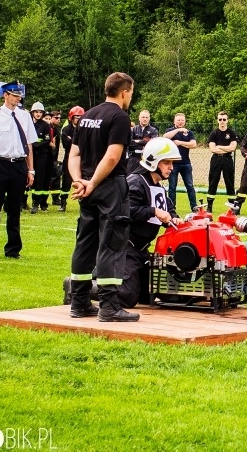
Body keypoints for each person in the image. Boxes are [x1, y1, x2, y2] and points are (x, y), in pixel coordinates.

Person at [68, 72, 137, 322]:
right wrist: (94, 182)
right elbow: (111, 157)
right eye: (131, 93)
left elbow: (74, 155)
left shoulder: (85, 116)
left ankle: (79, 303)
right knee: (112, 244)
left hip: (86, 187)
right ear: (124, 92)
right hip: (109, 186)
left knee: (84, 243)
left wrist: (80, 181)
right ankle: (109, 306)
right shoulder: (119, 117)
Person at [121, 137, 183, 307]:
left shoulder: (159, 187)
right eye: (167, 162)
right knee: (127, 296)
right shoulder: (135, 182)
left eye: (172, 163)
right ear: (153, 161)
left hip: (142, 251)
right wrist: (153, 211)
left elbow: (168, 210)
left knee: (155, 293)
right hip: (125, 248)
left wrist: (174, 217)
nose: (171, 167)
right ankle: (81, 287)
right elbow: (127, 212)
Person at [0, 81, 36, 260]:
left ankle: (13, 248)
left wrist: (31, 170)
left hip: (19, 164)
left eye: (19, 94)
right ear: (5, 95)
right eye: (14, 94)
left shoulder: (25, 116)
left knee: (14, 208)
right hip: (0, 164)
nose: (18, 97)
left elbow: (28, 145)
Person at [162, 113, 198, 212]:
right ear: (174, 121)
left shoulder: (188, 132)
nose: (180, 122)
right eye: (178, 120)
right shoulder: (170, 131)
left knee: (190, 186)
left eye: (182, 120)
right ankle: (172, 208)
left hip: (186, 163)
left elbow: (194, 144)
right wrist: (177, 130)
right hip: (173, 164)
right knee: (172, 187)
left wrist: (180, 143)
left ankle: (194, 207)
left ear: (185, 121)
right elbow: (165, 137)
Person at [206, 111, 237, 213]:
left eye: (224, 119)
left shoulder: (232, 133)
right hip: (216, 159)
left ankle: (232, 207)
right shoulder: (213, 133)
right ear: (217, 120)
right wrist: (225, 149)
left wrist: (219, 146)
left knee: (230, 182)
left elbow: (233, 147)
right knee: (213, 181)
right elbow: (212, 149)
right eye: (220, 119)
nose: (222, 121)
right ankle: (209, 205)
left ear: (227, 120)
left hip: (228, 159)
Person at [59, 106, 84, 212]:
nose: (78, 119)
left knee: (82, 180)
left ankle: (83, 203)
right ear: (71, 117)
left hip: (83, 158)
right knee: (66, 181)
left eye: (80, 117)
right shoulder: (66, 130)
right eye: (76, 117)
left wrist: (73, 140)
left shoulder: (85, 129)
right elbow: (67, 144)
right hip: (69, 158)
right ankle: (63, 203)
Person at [29, 101, 52, 213]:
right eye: (36, 112)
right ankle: (25, 202)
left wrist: (35, 145)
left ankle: (38, 203)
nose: (38, 114)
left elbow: (47, 140)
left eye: (40, 112)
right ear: (32, 112)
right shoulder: (29, 124)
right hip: (30, 155)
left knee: (40, 179)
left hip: (42, 155)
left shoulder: (46, 126)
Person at [127, 109, 158, 173]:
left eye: (147, 117)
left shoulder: (154, 130)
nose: (145, 119)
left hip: (147, 159)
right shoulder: (133, 129)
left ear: (149, 118)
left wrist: (138, 141)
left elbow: (153, 144)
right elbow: (129, 143)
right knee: (130, 178)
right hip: (133, 158)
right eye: (143, 117)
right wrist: (144, 143)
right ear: (139, 118)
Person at [48, 111, 62, 205]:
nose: (58, 120)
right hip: (46, 157)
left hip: (53, 157)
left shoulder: (56, 129)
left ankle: (55, 198)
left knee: (56, 176)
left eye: (59, 118)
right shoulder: (48, 128)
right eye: (56, 118)